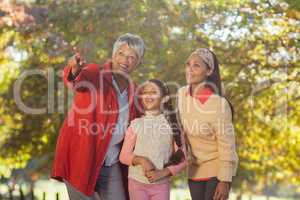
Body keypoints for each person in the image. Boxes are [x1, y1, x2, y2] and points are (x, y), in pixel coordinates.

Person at [51, 33, 145, 200]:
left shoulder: (136, 92)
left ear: (139, 62)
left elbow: (141, 126)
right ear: (113, 54)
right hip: (81, 158)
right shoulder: (95, 73)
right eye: (121, 53)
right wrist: (74, 70)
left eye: (132, 57)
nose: (125, 60)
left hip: (111, 161)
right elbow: (76, 80)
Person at [177, 48, 239, 200]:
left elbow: (227, 144)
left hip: (217, 169)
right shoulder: (181, 94)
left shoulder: (219, 104)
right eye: (188, 64)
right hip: (194, 169)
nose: (189, 70)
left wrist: (225, 180)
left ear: (209, 70)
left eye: (196, 65)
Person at [119, 79, 187, 200]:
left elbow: (184, 158)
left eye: (153, 92)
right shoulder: (136, 124)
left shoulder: (173, 125)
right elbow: (123, 156)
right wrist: (141, 160)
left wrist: (163, 172)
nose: (148, 95)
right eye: (145, 92)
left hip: (161, 184)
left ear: (165, 98)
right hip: (136, 183)